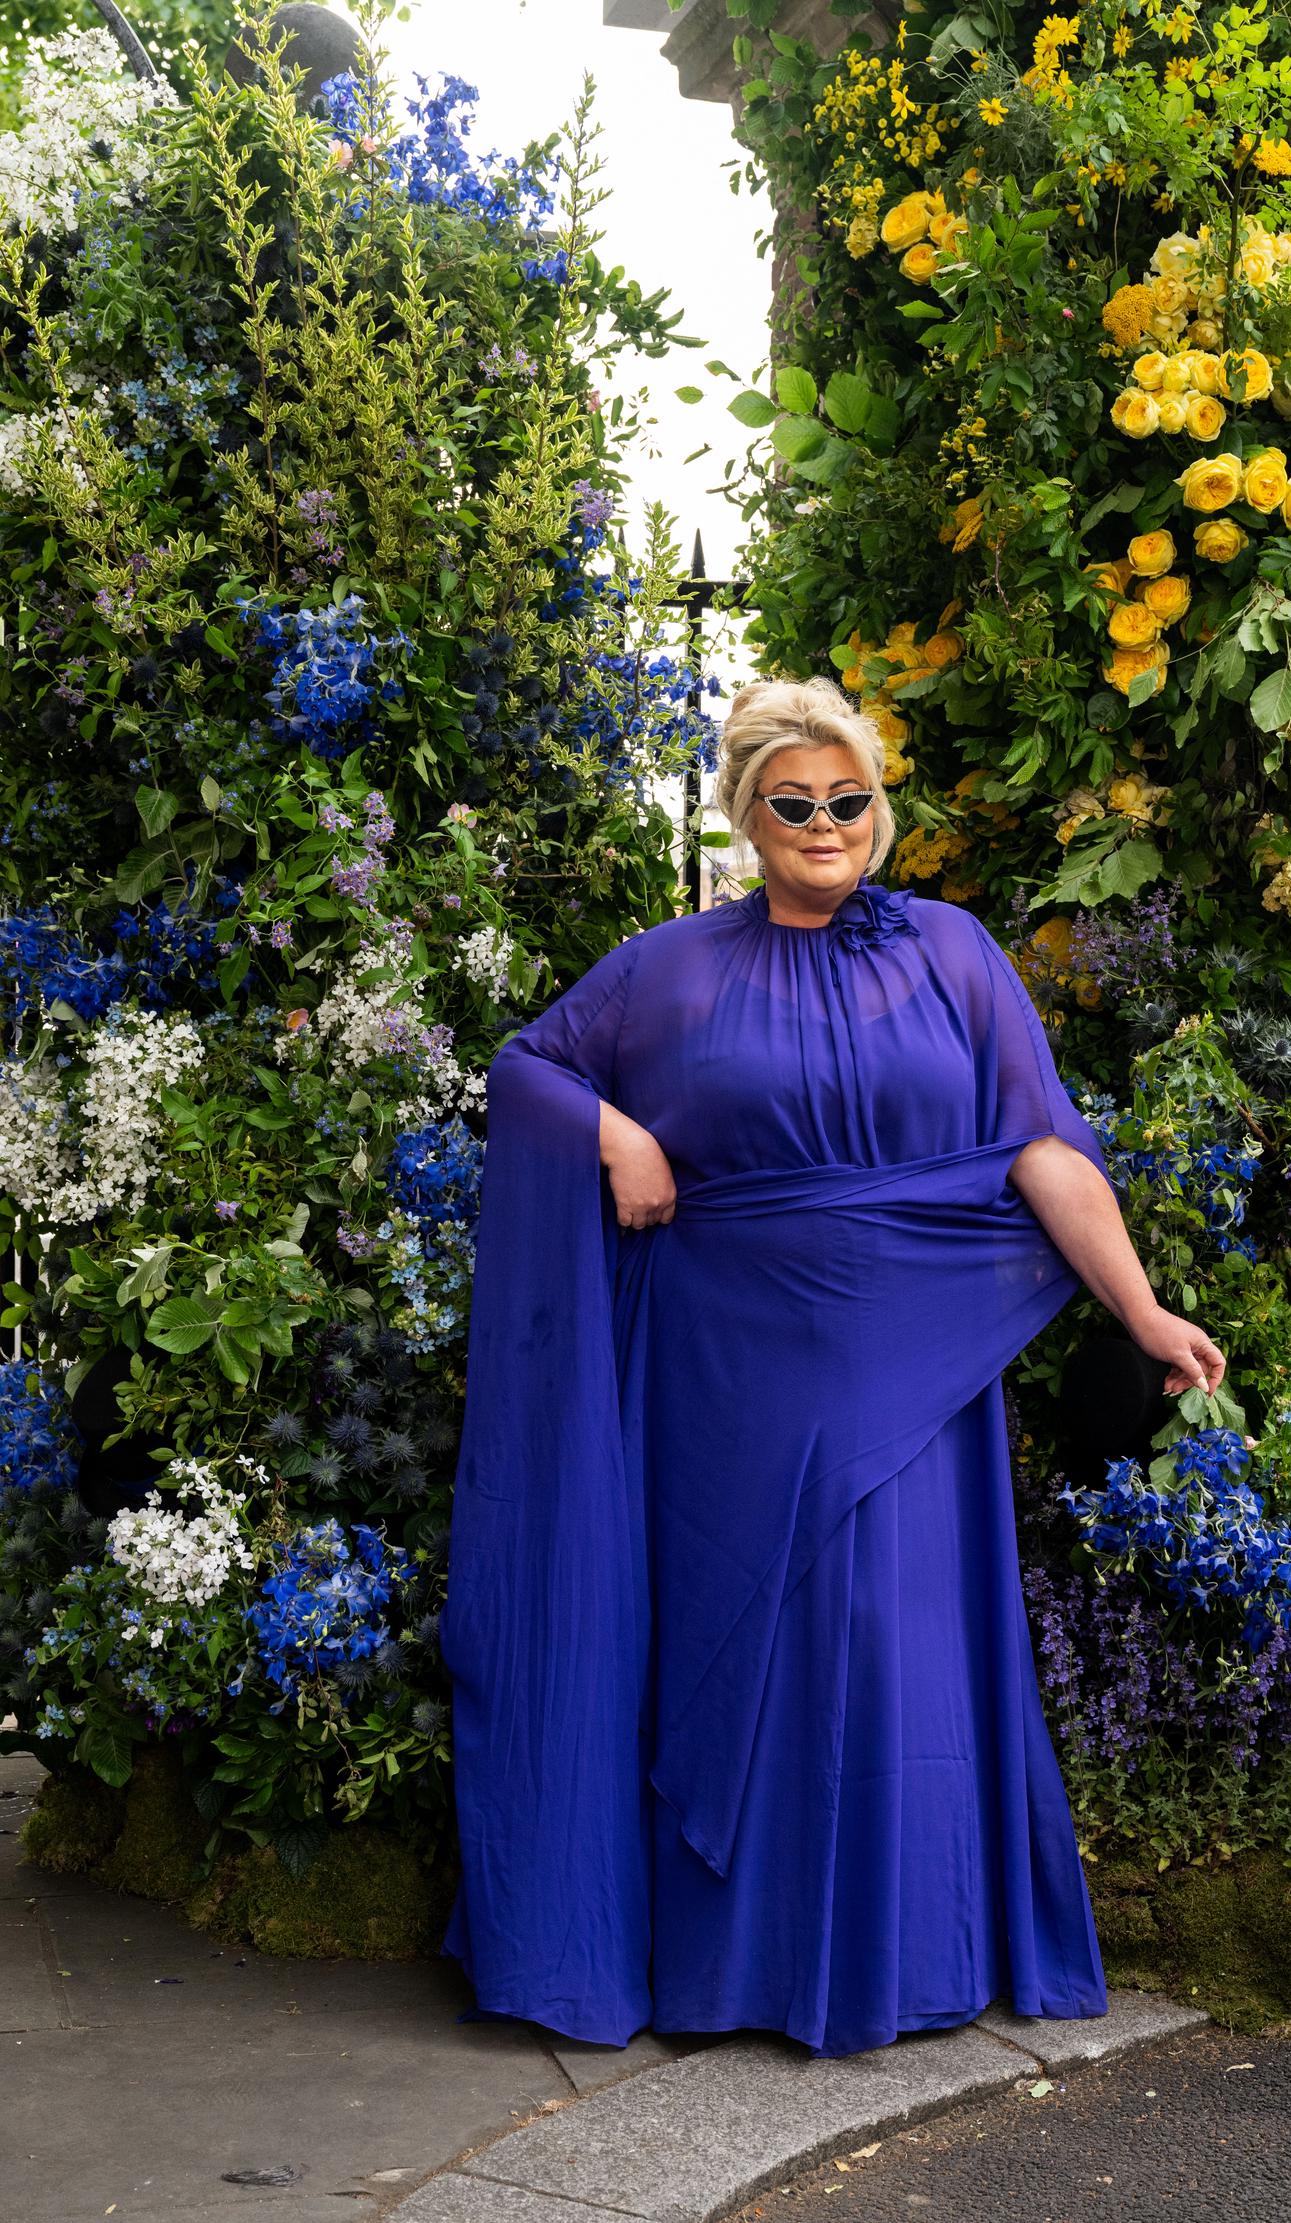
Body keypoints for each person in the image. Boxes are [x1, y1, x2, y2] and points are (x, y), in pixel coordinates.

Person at [442, 676, 1225, 2058]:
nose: (823, 824)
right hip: (727, 1374)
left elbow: (1042, 1146)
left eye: (847, 800)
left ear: (880, 807)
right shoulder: (667, 967)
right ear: (747, 814)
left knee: (893, 1648)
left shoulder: (954, 952)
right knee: (749, 1654)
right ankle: (727, 1973)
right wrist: (615, 1135)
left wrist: (1145, 1311)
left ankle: (898, 1955)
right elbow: (525, 1071)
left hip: (918, 1361)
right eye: (792, 803)